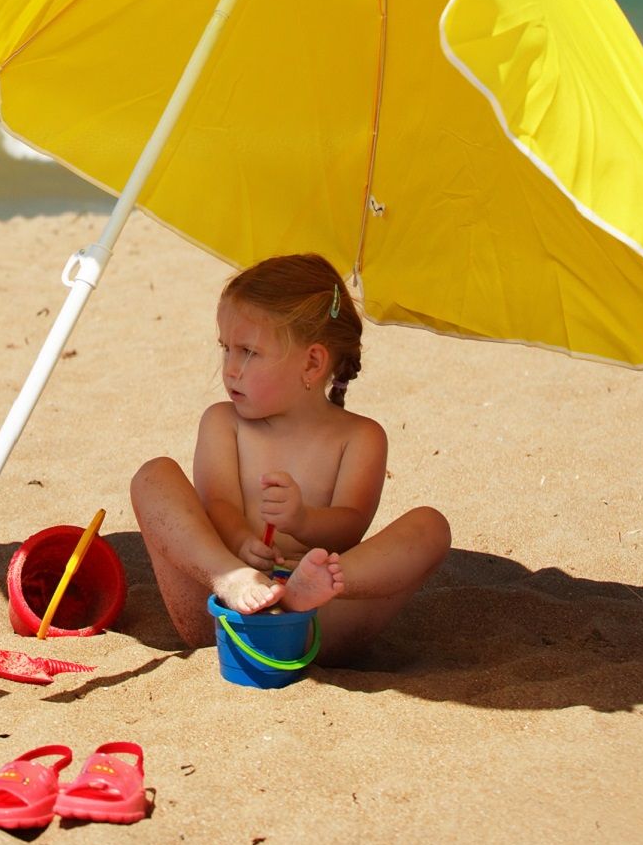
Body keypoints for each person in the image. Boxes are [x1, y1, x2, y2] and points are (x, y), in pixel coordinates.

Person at [131, 252, 450, 665]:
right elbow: (219, 504)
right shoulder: (223, 423)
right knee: (153, 476)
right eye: (225, 348)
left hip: (318, 618)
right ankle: (231, 578)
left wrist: (304, 522)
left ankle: (302, 594)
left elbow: (350, 526)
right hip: (217, 607)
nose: (229, 369)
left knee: (431, 527)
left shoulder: (359, 437)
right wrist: (239, 547)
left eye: (248, 352)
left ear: (313, 363)